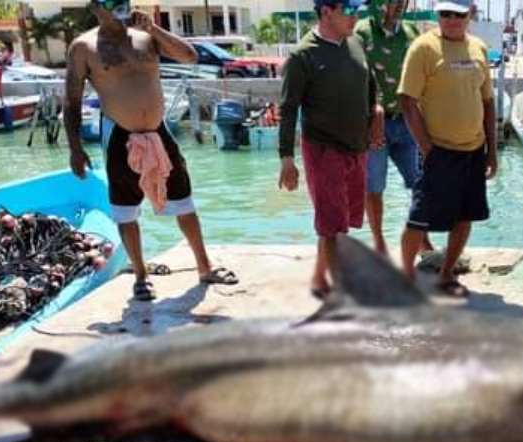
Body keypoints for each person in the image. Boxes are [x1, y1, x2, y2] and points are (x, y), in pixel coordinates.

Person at [64, 0, 237, 302]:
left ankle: (204, 266)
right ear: (95, 7)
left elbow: (189, 56)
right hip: (118, 134)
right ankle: (141, 275)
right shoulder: (83, 47)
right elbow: (71, 100)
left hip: (159, 130)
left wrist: (153, 27)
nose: (119, 7)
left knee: (184, 200)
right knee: (125, 209)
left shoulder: (145, 36)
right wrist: (75, 148)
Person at [278, 0, 380, 300]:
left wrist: (375, 113)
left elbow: (369, 83)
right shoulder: (302, 55)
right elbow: (288, 110)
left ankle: (320, 279)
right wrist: (287, 159)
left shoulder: (357, 42)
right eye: (348, 10)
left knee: (340, 222)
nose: (356, 16)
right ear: (326, 12)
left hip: (356, 147)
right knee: (333, 226)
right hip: (323, 149)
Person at [397, 0, 497, 297]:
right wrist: (427, 148)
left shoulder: (479, 48)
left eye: (458, 14)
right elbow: (407, 101)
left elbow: (488, 102)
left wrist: (492, 151)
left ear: (471, 16)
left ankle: (445, 273)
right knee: (418, 218)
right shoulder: (423, 48)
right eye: (445, 13)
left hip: (474, 149)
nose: (451, 19)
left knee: (466, 216)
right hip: (437, 150)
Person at [355, 0, 432, 256]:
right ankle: (379, 243)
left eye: (402, 0)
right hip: (373, 125)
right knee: (374, 187)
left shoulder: (411, 32)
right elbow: (354, 77)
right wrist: (370, 110)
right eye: (391, 0)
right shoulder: (361, 32)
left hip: (408, 120)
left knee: (421, 183)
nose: (397, 5)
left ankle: (422, 239)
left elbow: (424, 75)